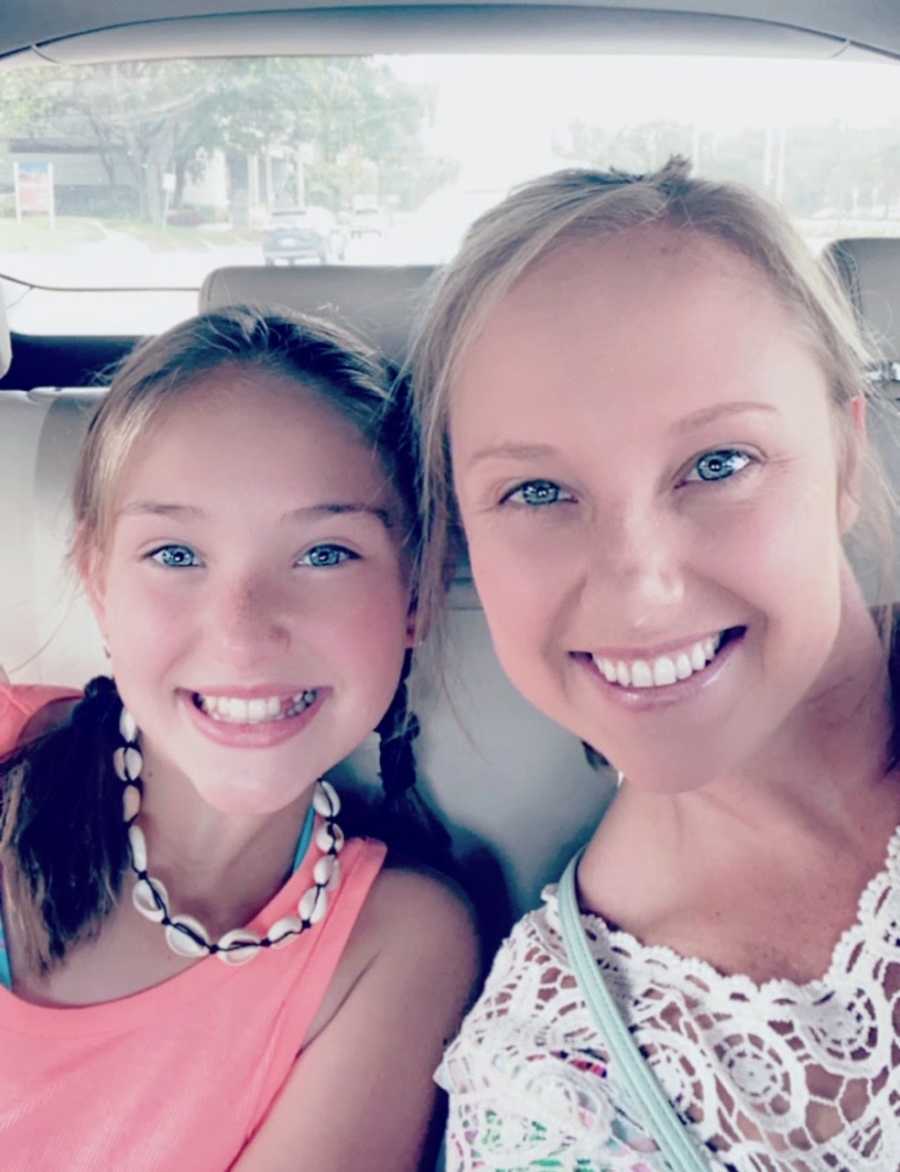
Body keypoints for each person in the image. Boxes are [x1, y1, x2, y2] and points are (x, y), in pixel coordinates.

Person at [409, 158, 900, 1169]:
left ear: (845, 460)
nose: (640, 593)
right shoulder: (554, 1083)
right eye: (538, 492)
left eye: (718, 463)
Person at [0, 306, 477, 1171]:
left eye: (325, 553)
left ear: (413, 596)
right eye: (176, 555)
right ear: (96, 582)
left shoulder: (397, 947)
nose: (242, 634)